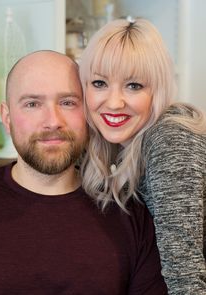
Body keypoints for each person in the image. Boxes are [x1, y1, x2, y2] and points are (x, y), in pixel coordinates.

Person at [0, 50, 167, 294]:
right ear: (7, 118)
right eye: (32, 104)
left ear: (87, 113)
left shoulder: (131, 215)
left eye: (67, 102)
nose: (53, 121)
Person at [79, 18, 206, 294]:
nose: (113, 102)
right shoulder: (113, 143)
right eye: (99, 83)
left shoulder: (170, 138)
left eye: (133, 86)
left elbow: (185, 268)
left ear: (157, 90)